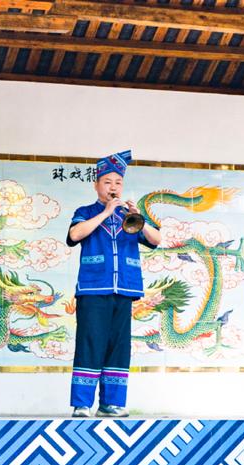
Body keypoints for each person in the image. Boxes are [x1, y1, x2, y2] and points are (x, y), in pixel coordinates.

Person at [66, 150, 161, 418]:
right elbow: (74, 235)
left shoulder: (129, 215)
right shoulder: (85, 212)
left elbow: (156, 240)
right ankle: (82, 403)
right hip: (93, 289)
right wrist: (106, 212)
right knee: (90, 342)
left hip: (125, 290)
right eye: (107, 182)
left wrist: (138, 217)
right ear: (96, 185)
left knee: (118, 345)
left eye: (118, 182)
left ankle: (111, 403)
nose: (113, 187)